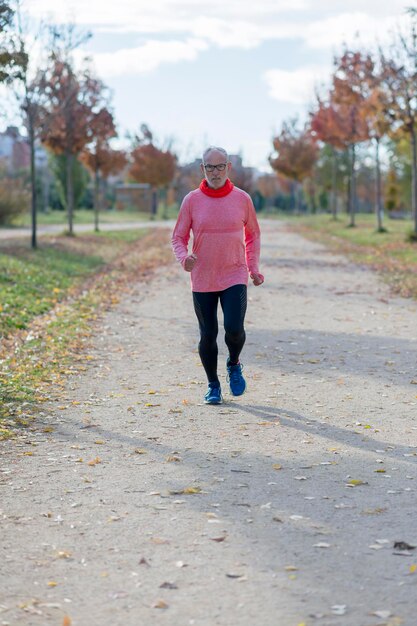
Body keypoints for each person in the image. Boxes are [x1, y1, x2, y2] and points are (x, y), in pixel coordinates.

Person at [172, 146, 264, 405]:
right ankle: (213, 385)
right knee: (208, 334)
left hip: (234, 273)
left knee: (234, 329)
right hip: (203, 277)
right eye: (209, 167)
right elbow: (178, 237)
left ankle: (234, 363)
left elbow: (253, 235)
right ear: (202, 169)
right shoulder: (191, 200)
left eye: (220, 166)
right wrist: (184, 258)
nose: (215, 172)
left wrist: (253, 268)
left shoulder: (242, 199)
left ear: (228, 168)